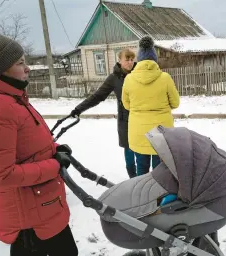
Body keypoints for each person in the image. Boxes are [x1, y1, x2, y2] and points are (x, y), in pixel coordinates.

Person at [0, 31, 78, 256]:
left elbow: (28, 144)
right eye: (20, 63)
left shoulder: (11, 98)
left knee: (68, 254)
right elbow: (3, 175)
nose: (28, 68)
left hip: (43, 205)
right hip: (29, 220)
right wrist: (53, 165)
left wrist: (55, 149)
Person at [70, 49, 137, 178]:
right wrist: (79, 109)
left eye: (131, 59)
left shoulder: (139, 74)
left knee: (143, 156)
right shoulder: (114, 78)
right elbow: (98, 96)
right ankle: (133, 181)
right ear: (119, 60)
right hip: (126, 122)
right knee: (129, 156)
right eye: (126, 59)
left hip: (141, 120)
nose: (130, 63)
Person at [122, 36, 180, 176]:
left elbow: (126, 104)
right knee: (160, 173)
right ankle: (159, 197)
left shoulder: (129, 79)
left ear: (139, 59)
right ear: (154, 58)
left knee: (141, 170)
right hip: (161, 134)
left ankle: (142, 197)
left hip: (138, 134)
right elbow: (175, 103)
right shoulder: (165, 78)